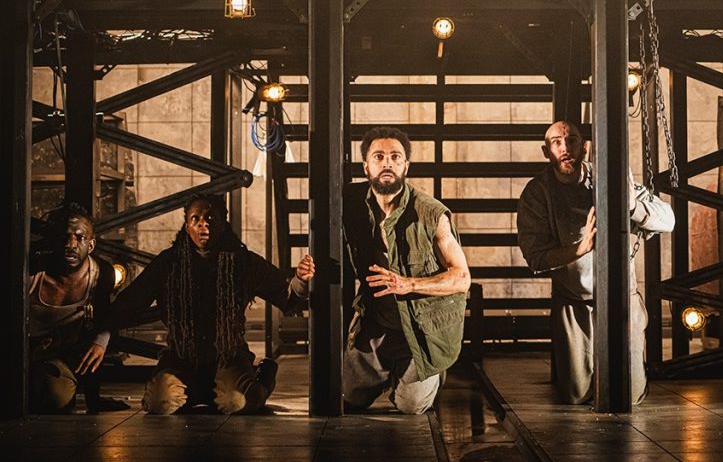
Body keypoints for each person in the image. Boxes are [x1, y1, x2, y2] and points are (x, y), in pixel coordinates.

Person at [99, 194, 314, 414]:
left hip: (228, 356)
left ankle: (262, 378)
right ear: (187, 226)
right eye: (196, 219)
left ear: (223, 223)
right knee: (159, 403)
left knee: (238, 402)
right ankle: (205, 393)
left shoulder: (243, 262)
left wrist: (300, 280)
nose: (204, 224)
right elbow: (131, 300)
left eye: (211, 218)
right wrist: (102, 335)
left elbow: (285, 295)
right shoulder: (168, 263)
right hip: (181, 358)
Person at [516, 120, 675, 405]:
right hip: (574, 301)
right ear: (546, 151)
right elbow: (536, 258)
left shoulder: (610, 180)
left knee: (629, 393)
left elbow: (669, 220)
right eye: (556, 142)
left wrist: (632, 207)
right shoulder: (537, 193)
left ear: (585, 146)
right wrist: (579, 249)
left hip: (621, 298)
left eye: (572, 140)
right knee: (576, 394)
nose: (565, 148)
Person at [341, 126, 471, 415]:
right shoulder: (351, 202)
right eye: (378, 156)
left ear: (406, 166)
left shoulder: (430, 213)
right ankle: (387, 372)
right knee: (346, 398)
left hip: (420, 333)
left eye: (395, 157)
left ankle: (428, 374)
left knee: (411, 406)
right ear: (366, 166)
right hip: (377, 325)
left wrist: (408, 284)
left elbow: (462, 278)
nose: (387, 163)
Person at [27, 202, 129, 413]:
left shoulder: (100, 274)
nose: (71, 244)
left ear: (90, 245)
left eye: (80, 237)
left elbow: (101, 325)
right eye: (64, 237)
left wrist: (94, 402)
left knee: (56, 395)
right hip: (20, 354)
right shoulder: (32, 271)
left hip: (57, 360)